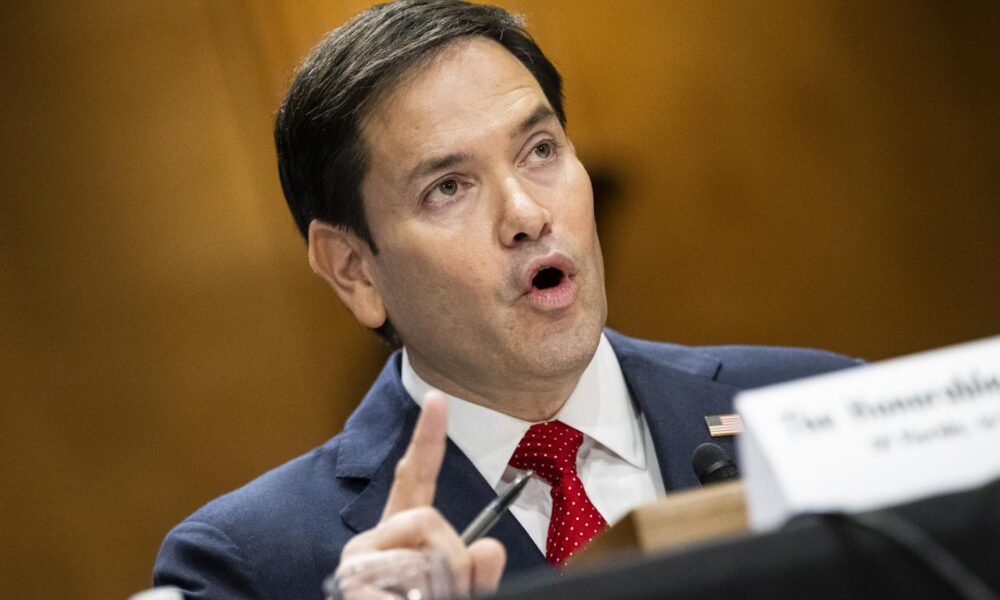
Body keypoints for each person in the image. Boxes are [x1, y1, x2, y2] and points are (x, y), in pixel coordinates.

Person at [153, 1, 861, 598]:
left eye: (540, 150)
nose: (526, 212)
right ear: (354, 271)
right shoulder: (249, 566)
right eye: (448, 188)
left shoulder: (823, 408)